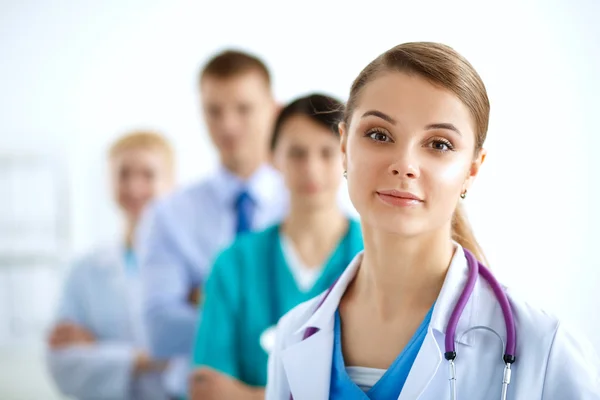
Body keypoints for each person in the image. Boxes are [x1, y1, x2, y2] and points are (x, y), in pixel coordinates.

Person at [265, 42, 600, 399]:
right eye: (379, 135)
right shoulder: (296, 334)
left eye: (439, 144)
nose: (405, 164)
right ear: (345, 147)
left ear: (472, 170)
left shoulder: (543, 348)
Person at [189, 94, 364, 400]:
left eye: (327, 152)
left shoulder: (377, 255)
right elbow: (207, 387)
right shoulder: (234, 263)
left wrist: (252, 395)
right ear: (273, 157)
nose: (311, 168)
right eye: (296, 153)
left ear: (348, 156)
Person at [135, 49, 288, 397]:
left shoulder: (309, 205)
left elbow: (332, 322)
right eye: (213, 111)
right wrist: (272, 317)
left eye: (243, 109)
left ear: (273, 111)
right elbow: (159, 330)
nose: (228, 125)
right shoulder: (169, 214)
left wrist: (210, 298)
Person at [47, 131, 175, 400]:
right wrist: (143, 359)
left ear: (171, 183)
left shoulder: (193, 265)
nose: (134, 187)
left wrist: (102, 350)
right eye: (123, 174)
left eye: (148, 175)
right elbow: (61, 361)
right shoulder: (85, 270)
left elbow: (201, 355)